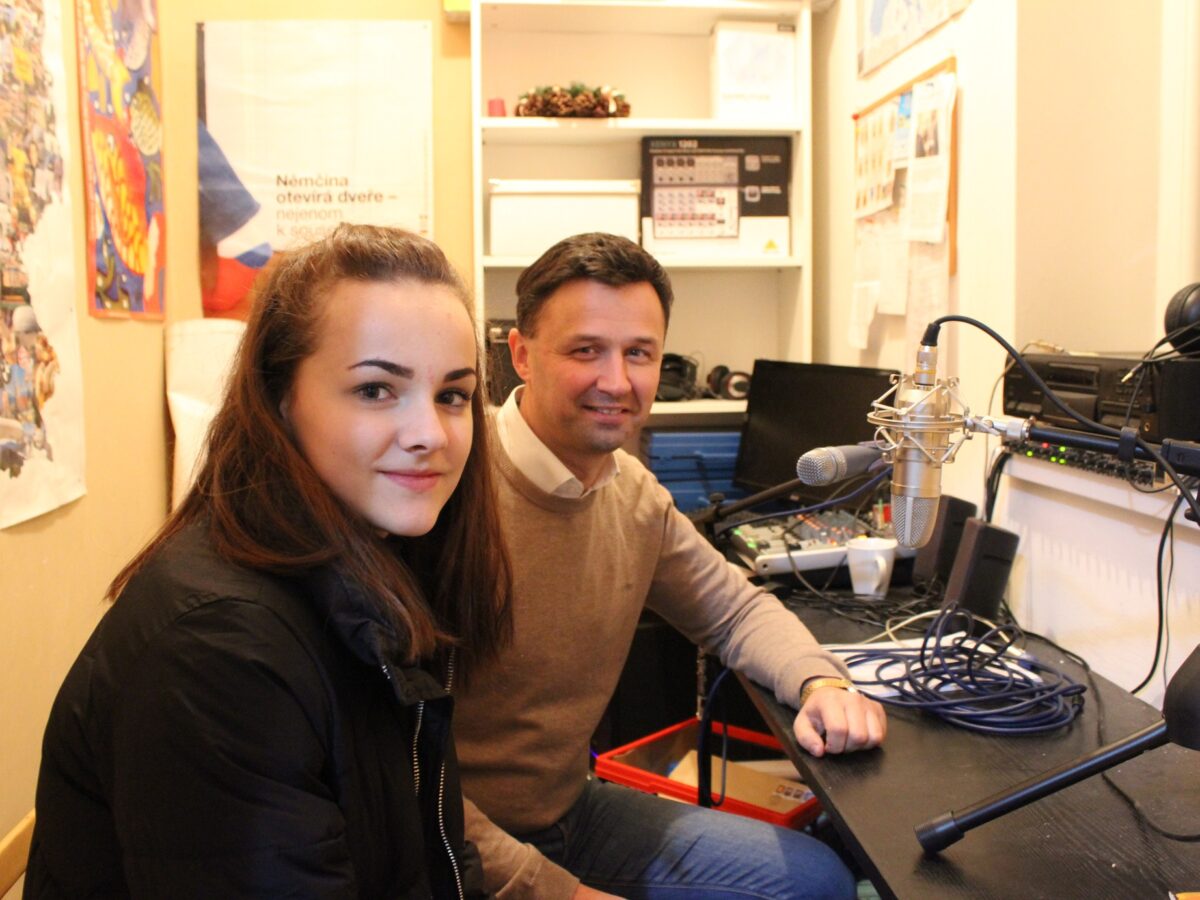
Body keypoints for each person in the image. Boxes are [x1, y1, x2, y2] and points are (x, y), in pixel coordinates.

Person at [26, 224, 513, 898]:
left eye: (452, 396)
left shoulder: (384, 569)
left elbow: (438, 851)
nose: (430, 433)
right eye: (376, 390)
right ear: (280, 400)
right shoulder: (220, 650)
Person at [454, 232, 888, 899]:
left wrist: (820, 684)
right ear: (521, 355)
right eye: (585, 351)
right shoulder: (447, 485)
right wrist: (553, 892)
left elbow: (734, 610)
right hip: (458, 845)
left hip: (571, 811)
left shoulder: (632, 495)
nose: (617, 381)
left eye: (639, 353)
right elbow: (400, 769)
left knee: (817, 882)